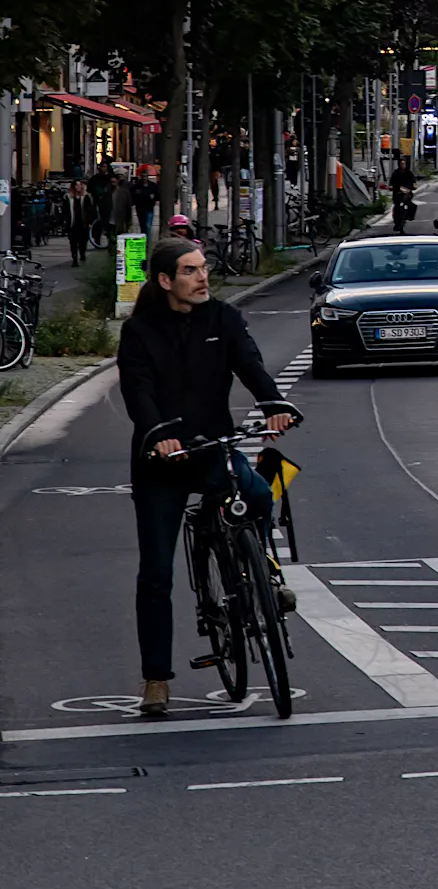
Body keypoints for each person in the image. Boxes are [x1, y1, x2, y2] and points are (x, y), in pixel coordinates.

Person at [116, 236, 297, 718]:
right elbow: (138, 390)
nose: (203, 278)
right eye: (191, 271)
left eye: (203, 269)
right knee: (156, 573)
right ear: (165, 281)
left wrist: (274, 403)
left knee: (258, 494)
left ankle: (264, 573)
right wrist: (157, 434)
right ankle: (156, 678)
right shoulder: (140, 332)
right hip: (163, 460)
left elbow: (250, 365)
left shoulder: (223, 318)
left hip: (214, 445)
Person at [65, 178, 92, 264]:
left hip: (83, 223)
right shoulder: (68, 197)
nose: (78, 187)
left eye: (80, 185)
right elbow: (65, 211)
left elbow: (90, 210)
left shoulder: (85, 196)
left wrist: (90, 221)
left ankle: (82, 253)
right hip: (72, 223)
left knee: (83, 241)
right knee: (73, 241)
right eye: (76, 185)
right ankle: (74, 258)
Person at [389, 155, 418, 235]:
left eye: (404, 164)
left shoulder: (408, 172)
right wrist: (392, 187)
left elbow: (413, 179)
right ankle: (396, 222)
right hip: (398, 194)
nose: (403, 165)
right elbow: (392, 182)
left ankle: (409, 216)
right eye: (401, 164)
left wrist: (414, 185)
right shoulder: (396, 173)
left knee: (413, 206)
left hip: (407, 194)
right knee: (397, 207)